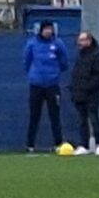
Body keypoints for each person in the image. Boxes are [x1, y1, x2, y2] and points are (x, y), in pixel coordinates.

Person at [23, 20, 69, 152]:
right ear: (41, 30)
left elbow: (64, 62)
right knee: (34, 115)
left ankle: (58, 144)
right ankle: (30, 145)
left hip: (52, 85)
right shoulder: (32, 44)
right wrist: (33, 75)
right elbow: (26, 61)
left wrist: (54, 74)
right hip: (36, 85)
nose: (48, 31)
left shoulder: (58, 44)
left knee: (55, 115)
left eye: (50, 29)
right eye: (46, 29)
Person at [67, 29, 99, 154]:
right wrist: (73, 88)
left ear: (90, 41)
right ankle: (83, 145)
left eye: (83, 40)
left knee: (94, 118)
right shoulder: (79, 57)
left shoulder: (96, 57)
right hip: (79, 95)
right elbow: (76, 75)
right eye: (79, 40)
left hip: (92, 94)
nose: (80, 42)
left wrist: (88, 87)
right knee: (82, 120)